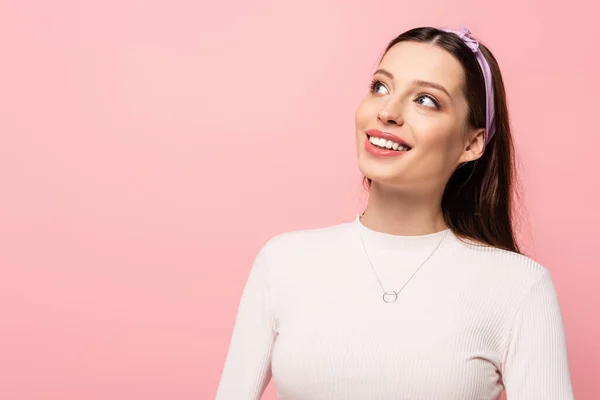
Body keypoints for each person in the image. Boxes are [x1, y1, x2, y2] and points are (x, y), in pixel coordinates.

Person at [214, 26, 574, 399]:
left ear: (471, 143)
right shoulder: (283, 261)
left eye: (426, 101)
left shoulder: (519, 287)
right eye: (380, 87)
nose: (387, 111)